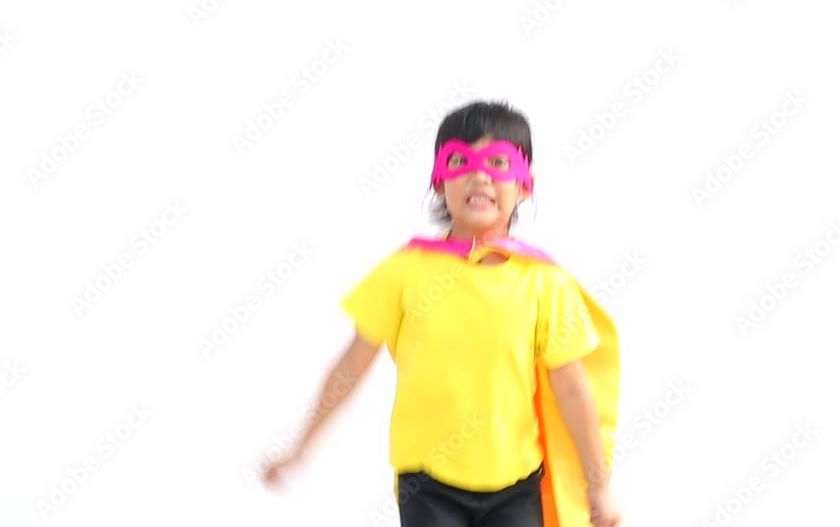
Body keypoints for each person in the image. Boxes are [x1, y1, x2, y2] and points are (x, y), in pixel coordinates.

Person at [260, 100, 621, 527]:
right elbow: (351, 367)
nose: (480, 175)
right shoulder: (405, 271)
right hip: (428, 484)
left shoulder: (544, 283)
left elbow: (574, 392)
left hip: (517, 485)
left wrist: (598, 486)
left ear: (525, 185)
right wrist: (300, 447)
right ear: (438, 181)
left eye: (498, 162)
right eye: (460, 161)